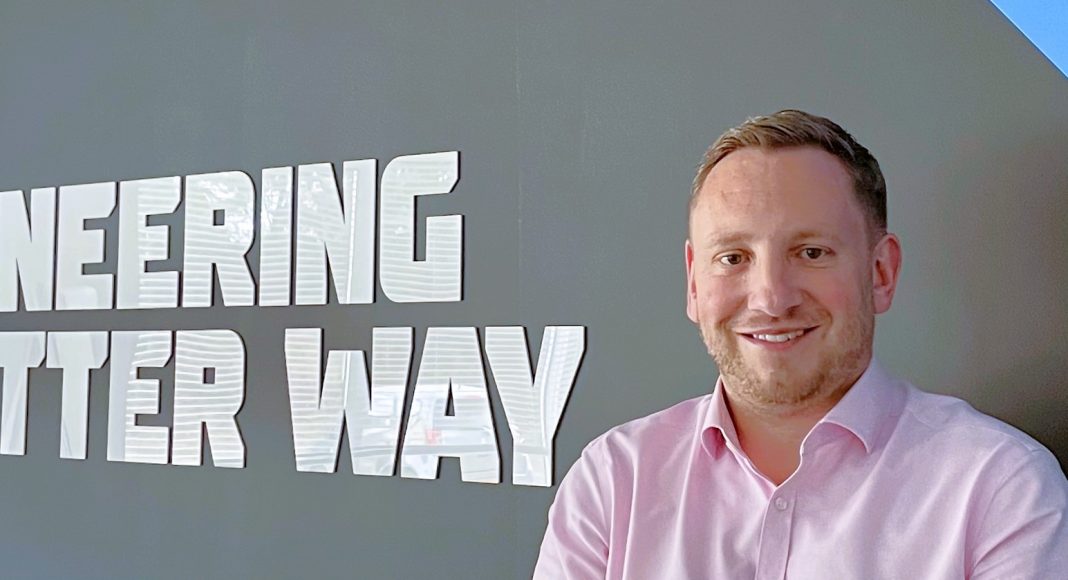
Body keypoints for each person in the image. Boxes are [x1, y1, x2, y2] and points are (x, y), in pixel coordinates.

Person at [532, 110, 1068, 579]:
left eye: (811, 252)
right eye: (733, 258)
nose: (771, 298)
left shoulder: (997, 487)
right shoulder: (613, 482)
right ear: (694, 283)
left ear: (881, 273)